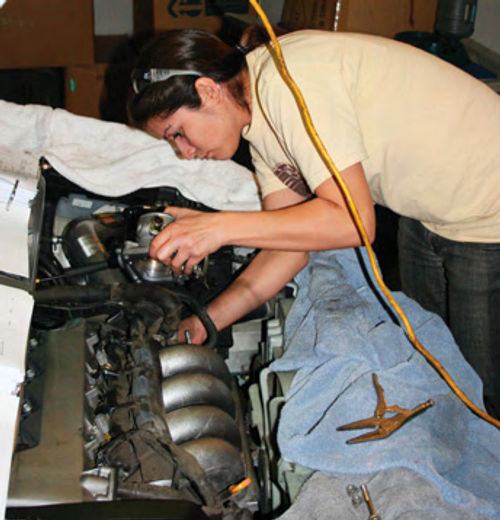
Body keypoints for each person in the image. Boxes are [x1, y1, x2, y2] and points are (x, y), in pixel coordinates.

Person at [127, 27, 500, 412]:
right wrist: (205, 322)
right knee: (437, 363)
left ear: (207, 91)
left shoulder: (290, 82)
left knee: (481, 396)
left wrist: (219, 227)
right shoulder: (262, 123)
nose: (184, 153)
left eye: (179, 134)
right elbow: (288, 250)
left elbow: (354, 223)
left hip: (488, 206)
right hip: (428, 216)